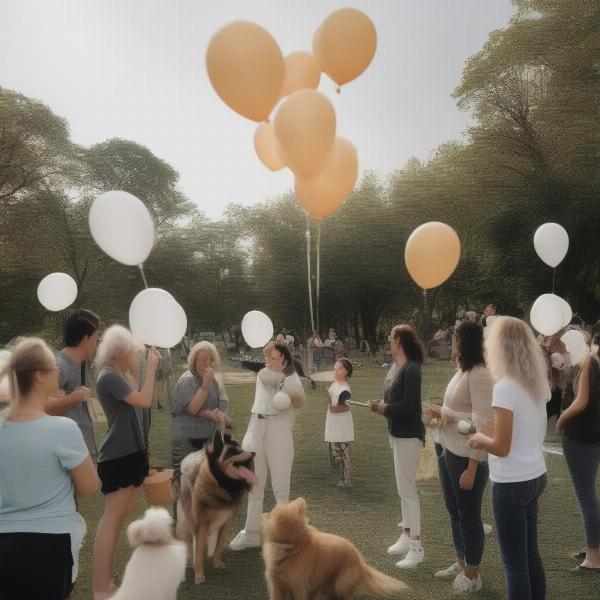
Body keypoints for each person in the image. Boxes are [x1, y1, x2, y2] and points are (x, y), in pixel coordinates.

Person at [0, 338, 99, 600]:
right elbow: (89, 486)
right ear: (39, 376)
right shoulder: (62, 429)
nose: (58, 371)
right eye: (53, 368)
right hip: (51, 546)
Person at [469, 317, 550, 600]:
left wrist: (480, 438)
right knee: (530, 556)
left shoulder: (505, 387)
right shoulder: (536, 384)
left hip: (512, 481)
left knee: (514, 563)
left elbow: (501, 447)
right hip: (535, 475)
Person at [424, 321, 494, 593]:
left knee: (469, 515)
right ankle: (462, 560)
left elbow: (484, 424)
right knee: (455, 512)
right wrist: (440, 411)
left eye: (453, 338)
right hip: (448, 449)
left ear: (463, 342)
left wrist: (473, 468)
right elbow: (457, 411)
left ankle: (473, 573)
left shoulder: (479, 374)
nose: (449, 343)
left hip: (467, 457)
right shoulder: (462, 370)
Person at [92, 326, 161, 600]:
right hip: (118, 457)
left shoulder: (119, 375)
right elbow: (144, 401)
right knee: (112, 519)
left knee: (122, 515)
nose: (137, 356)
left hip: (131, 454)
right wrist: (153, 367)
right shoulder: (109, 376)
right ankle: (101, 588)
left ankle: (107, 580)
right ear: (120, 352)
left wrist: (143, 372)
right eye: (132, 351)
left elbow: (141, 400)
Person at [230, 341, 306, 551]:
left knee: (281, 487)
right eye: (267, 357)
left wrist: (291, 392)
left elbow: (300, 402)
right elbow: (271, 379)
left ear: (283, 358)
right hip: (257, 426)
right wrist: (283, 382)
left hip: (279, 429)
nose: (269, 361)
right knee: (255, 484)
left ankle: (282, 536)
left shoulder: (292, 378)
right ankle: (251, 533)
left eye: (273, 358)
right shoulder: (264, 373)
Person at [369, 324, 426, 568]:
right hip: (397, 433)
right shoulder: (397, 367)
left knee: (408, 492)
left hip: (409, 434)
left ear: (400, 340)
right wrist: (382, 403)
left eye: (391, 337)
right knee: (403, 490)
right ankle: (405, 536)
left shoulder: (412, 369)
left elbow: (408, 406)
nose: (388, 341)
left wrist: (383, 408)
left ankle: (416, 546)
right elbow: (393, 399)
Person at [557, 342, 600, 571]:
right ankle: (594, 547)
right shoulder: (591, 364)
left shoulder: (592, 362)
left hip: (581, 437)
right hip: (592, 436)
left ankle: (593, 558)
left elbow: (581, 400)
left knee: (586, 497)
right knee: (588, 495)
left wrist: (562, 419)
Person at [171, 341, 231, 494]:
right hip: (187, 440)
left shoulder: (213, 381)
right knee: (185, 485)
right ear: (193, 361)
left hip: (207, 438)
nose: (207, 363)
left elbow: (222, 401)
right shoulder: (187, 380)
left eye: (210, 359)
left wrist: (218, 413)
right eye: (202, 359)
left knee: (203, 485)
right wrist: (205, 386)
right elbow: (192, 408)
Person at [47, 309, 101, 457]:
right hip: (67, 454)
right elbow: (43, 406)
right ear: (86, 339)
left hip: (84, 450)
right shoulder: (59, 366)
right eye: (96, 338)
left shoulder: (81, 363)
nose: (97, 344)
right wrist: (74, 398)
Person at [325, 358, 354, 487]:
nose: (336, 371)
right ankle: (341, 476)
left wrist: (332, 407)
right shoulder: (335, 384)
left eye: (340, 368)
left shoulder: (345, 389)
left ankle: (346, 479)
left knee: (342, 450)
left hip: (341, 422)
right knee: (335, 448)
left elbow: (345, 406)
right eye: (335, 368)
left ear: (346, 372)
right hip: (333, 421)